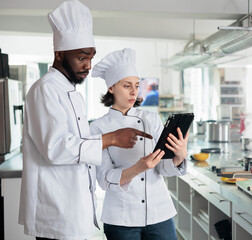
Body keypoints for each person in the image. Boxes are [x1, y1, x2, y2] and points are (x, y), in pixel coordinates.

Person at [18, 1, 153, 239]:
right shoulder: (45, 89)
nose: (88, 65)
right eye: (82, 57)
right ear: (60, 54)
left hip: (73, 208)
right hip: (55, 210)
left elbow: (79, 147)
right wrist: (111, 138)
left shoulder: (72, 93)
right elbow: (56, 148)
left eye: (91, 57)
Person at [90, 48, 188, 240]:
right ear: (111, 88)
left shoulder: (151, 119)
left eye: (137, 85)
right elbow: (103, 180)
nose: (134, 91)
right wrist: (138, 168)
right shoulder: (98, 128)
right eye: (127, 86)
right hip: (121, 218)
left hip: (159, 213)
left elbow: (162, 168)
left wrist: (178, 158)